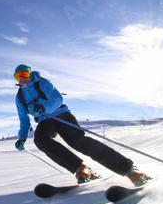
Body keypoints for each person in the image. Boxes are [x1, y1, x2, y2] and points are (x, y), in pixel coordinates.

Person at [13, 64, 148, 186]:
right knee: (40, 140)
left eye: (24, 74)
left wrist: (43, 107)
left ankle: (128, 169)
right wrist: (22, 138)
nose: (22, 78)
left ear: (30, 74)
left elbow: (58, 98)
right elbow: (24, 120)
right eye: (18, 76)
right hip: (45, 120)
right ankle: (80, 168)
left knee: (77, 141)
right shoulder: (20, 97)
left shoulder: (42, 83)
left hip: (61, 114)